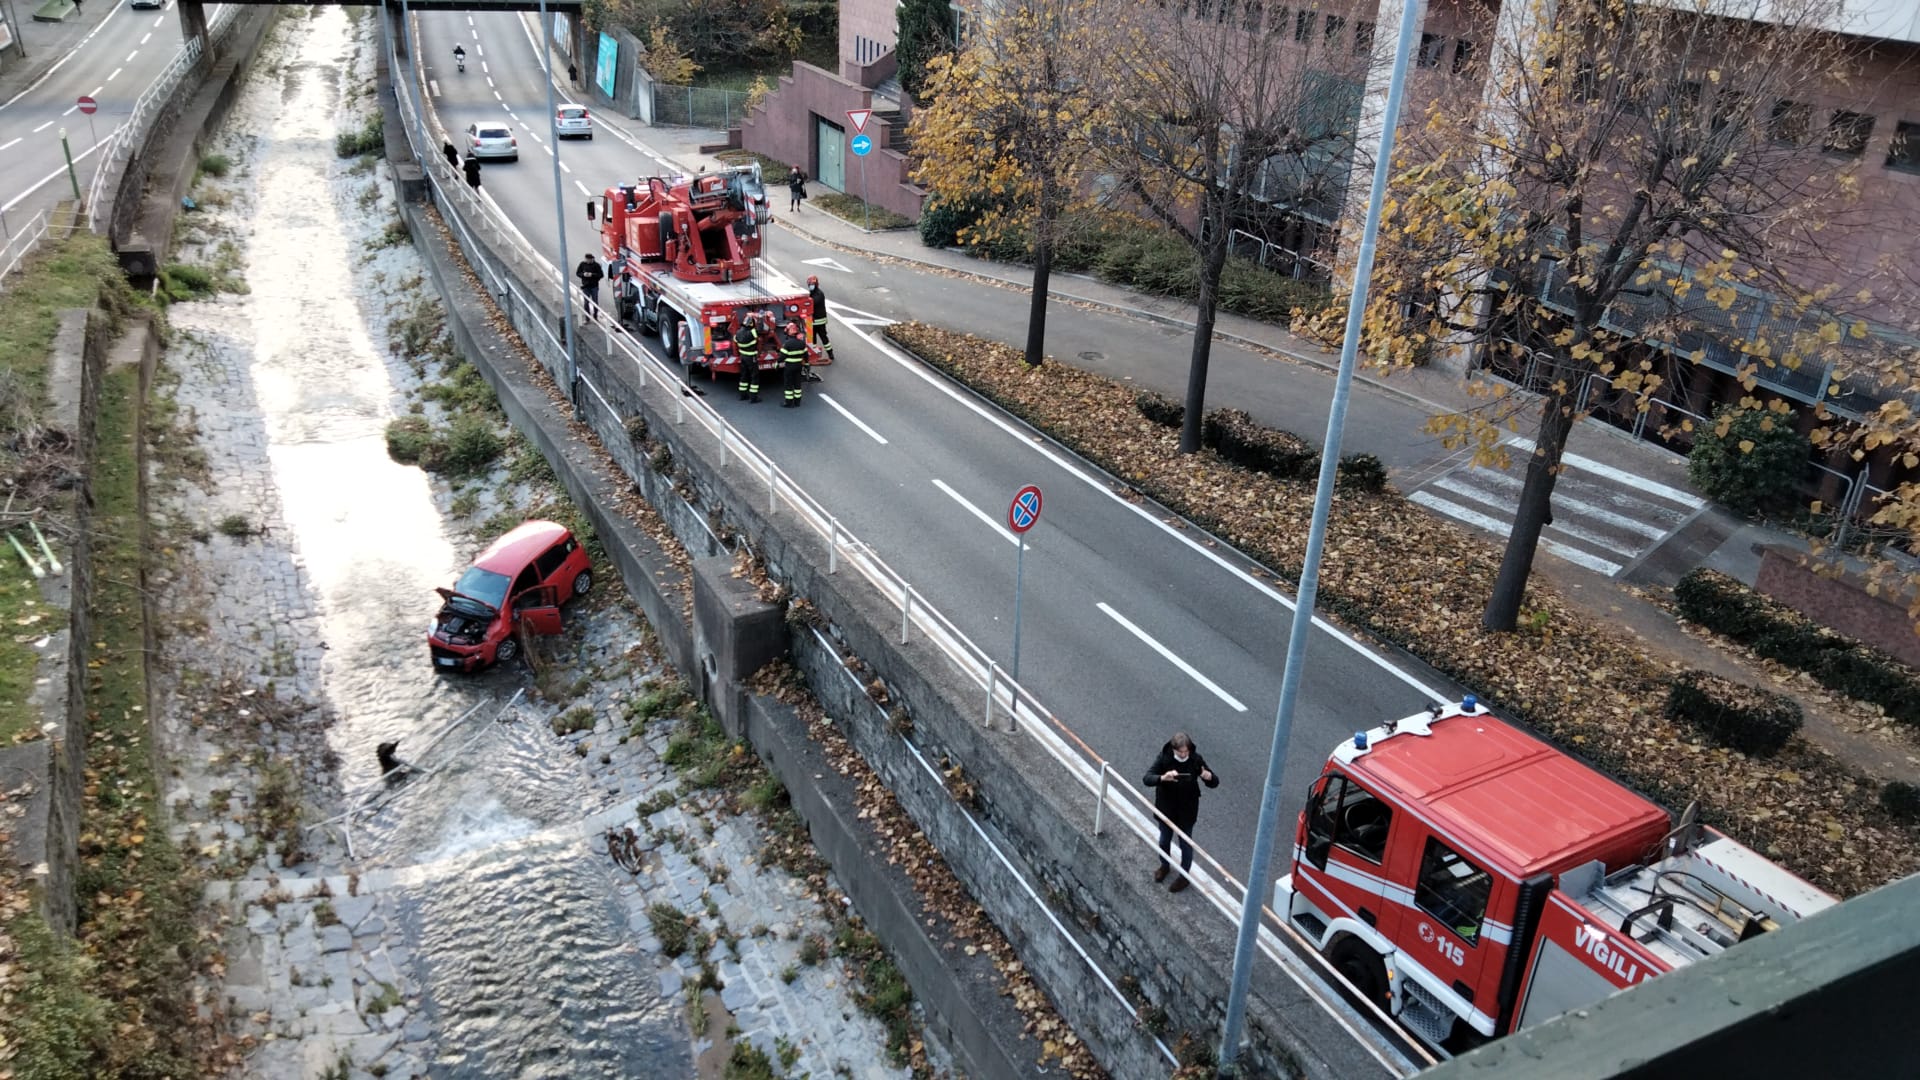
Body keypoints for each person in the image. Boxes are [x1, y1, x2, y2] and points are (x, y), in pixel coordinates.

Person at [1142, 732, 1218, 893]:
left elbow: (1214, 782)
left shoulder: (1196, 760)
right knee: (1164, 840)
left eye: (1186, 751)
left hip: (1187, 810)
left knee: (1186, 844)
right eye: (1180, 752)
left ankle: (1184, 876)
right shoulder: (1164, 758)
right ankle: (1164, 865)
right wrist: (1163, 778)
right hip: (1167, 808)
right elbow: (1147, 778)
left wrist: (1208, 776)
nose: (1184, 755)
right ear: (1174, 749)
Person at [735, 313, 764, 402]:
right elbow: (760, 331)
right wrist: (760, 319)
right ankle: (753, 397)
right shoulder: (752, 331)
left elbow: (735, 342)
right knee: (754, 376)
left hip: (743, 356)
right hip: (751, 357)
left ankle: (743, 395)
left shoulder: (738, 332)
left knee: (744, 375)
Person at [779, 321, 808, 407]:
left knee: (788, 384)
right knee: (797, 384)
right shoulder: (802, 343)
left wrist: (777, 363)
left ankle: (788, 403)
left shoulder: (787, 344)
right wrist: (806, 364)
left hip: (789, 367)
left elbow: (782, 357)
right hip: (798, 366)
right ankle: (797, 402)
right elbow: (806, 355)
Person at [806, 275, 834, 364]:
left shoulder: (818, 294)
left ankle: (830, 354)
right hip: (813, 321)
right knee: (812, 338)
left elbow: (812, 302)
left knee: (823, 337)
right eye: (809, 284)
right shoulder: (812, 293)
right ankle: (813, 354)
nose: (811, 286)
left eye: (812, 284)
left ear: (816, 284)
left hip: (819, 320)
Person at [575, 252, 604, 321]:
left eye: (589, 259)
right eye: (587, 259)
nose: (588, 260)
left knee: (595, 302)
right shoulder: (582, 264)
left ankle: (595, 316)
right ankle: (587, 317)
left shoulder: (596, 265)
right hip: (585, 286)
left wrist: (592, 275)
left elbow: (601, 275)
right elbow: (578, 273)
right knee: (586, 302)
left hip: (594, 286)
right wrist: (583, 274)